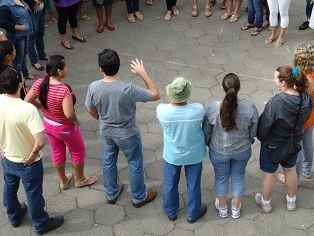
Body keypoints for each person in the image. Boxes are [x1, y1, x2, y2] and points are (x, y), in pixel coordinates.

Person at [0, 67, 64, 235]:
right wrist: (34, 154)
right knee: (34, 193)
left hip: (7, 157)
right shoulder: (27, 109)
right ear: (20, 83)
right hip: (28, 162)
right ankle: (41, 223)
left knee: (9, 188)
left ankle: (14, 217)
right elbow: (40, 141)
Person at [86, 49, 160, 205]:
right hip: (128, 133)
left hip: (106, 131)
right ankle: (139, 196)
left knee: (108, 161)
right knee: (135, 163)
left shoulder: (93, 87)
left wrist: (101, 119)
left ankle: (112, 193)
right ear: (119, 66)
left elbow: (90, 110)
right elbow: (155, 94)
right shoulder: (128, 89)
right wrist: (143, 73)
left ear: (100, 68)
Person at [25, 56, 97, 190]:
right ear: (59, 71)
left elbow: (27, 100)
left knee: (57, 152)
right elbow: (69, 114)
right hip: (64, 128)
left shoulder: (40, 82)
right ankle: (80, 179)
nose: (67, 69)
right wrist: (76, 120)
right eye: (66, 67)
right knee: (77, 151)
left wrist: (41, 107)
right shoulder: (64, 90)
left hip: (48, 124)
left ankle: (63, 180)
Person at [256, 65, 313, 212]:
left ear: (283, 82)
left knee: (269, 173)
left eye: (275, 78)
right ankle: (291, 201)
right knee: (290, 170)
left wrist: (261, 137)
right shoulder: (305, 97)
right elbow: (307, 115)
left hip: (273, 144)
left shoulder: (277, 102)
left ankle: (266, 202)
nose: (273, 80)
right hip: (293, 142)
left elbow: (265, 125)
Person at [203, 73, 259, 219]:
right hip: (242, 150)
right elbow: (254, 127)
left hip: (219, 151)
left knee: (221, 177)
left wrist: (208, 142)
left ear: (222, 88)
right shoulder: (249, 106)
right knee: (239, 176)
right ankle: (235, 208)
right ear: (239, 88)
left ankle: (222, 208)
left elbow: (206, 131)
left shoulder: (213, 108)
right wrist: (250, 138)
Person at [156, 76, 207, 223]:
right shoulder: (197, 110)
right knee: (193, 183)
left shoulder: (162, 111)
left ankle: (171, 211)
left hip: (172, 155)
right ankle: (193, 213)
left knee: (170, 183)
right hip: (194, 153)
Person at [278, 43, 314, 184]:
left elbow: (296, 100)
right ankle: (307, 170)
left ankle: (294, 178)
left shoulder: (305, 80)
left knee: (296, 148)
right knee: (307, 142)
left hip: (303, 118)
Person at [0, 0, 37, 80]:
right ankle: (18, 82)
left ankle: (25, 74)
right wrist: (19, 27)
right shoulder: (5, 6)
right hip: (17, 36)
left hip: (24, 33)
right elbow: (3, 23)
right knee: (17, 60)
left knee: (24, 55)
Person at [17, 0, 50, 72]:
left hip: (40, 11)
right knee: (32, 37)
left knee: (40, 33)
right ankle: (34, 60)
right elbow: (30, 3)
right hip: (31, 14)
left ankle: (42, 54)